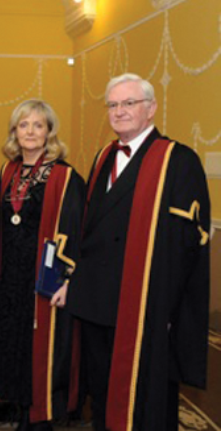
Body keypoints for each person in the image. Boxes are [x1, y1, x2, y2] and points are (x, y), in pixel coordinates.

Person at [67, 73, 210, 431]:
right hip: (97, 303)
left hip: (146, 303)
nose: (119, 111)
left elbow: (185, 247)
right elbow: (90, 230)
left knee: (146, 400)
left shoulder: (178, 160)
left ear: (151, 108)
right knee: (102, 394)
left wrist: (166, 308)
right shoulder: (103, 156)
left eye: (129, 103)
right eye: (113, 105)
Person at [0, 100, 84, 431]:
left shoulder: (65, 176)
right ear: (14, 131)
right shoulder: (7, 171)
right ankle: (23, 416)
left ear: (49, 132)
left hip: (43, 278)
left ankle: (39, 421)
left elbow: (76, 231)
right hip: (10, 278)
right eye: (23, 125)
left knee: (42, 352)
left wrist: (66, 280)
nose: (30, 131)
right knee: (15, 349)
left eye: (38, 125)